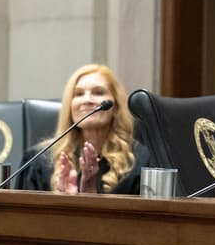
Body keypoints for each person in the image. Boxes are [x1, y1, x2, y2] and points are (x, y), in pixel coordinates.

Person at [23, 64, 147, 194]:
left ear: (116, 106)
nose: (87, 100)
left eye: (98, 92)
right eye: (78, 94)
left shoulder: (139, 161)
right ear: (69, 107)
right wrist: (62, 204)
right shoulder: (39, 161)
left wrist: (90, 197)